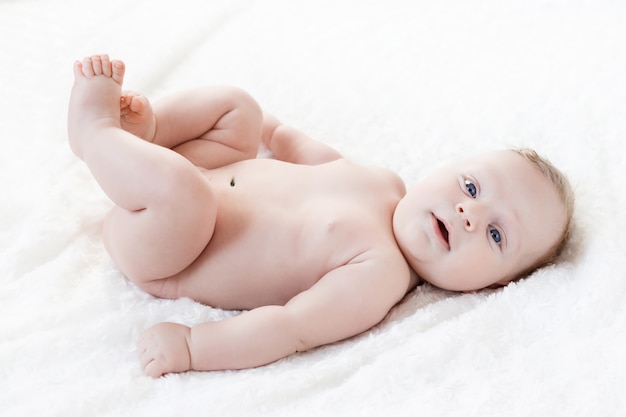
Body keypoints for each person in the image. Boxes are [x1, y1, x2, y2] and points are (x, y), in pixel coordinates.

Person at [68, 54, 574, 378]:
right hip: (205, 170)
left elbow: (291, 327)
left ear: (490, 285)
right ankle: (149, 136)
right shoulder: (384, 182)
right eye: (471, 186)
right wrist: (274, 131)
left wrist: (194, 347)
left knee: (185, 197)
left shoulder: (378, 276)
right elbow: (309, 153)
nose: (468, 212)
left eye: (494, 233)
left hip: (169, 246)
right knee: (238, 107)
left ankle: (94, 133)